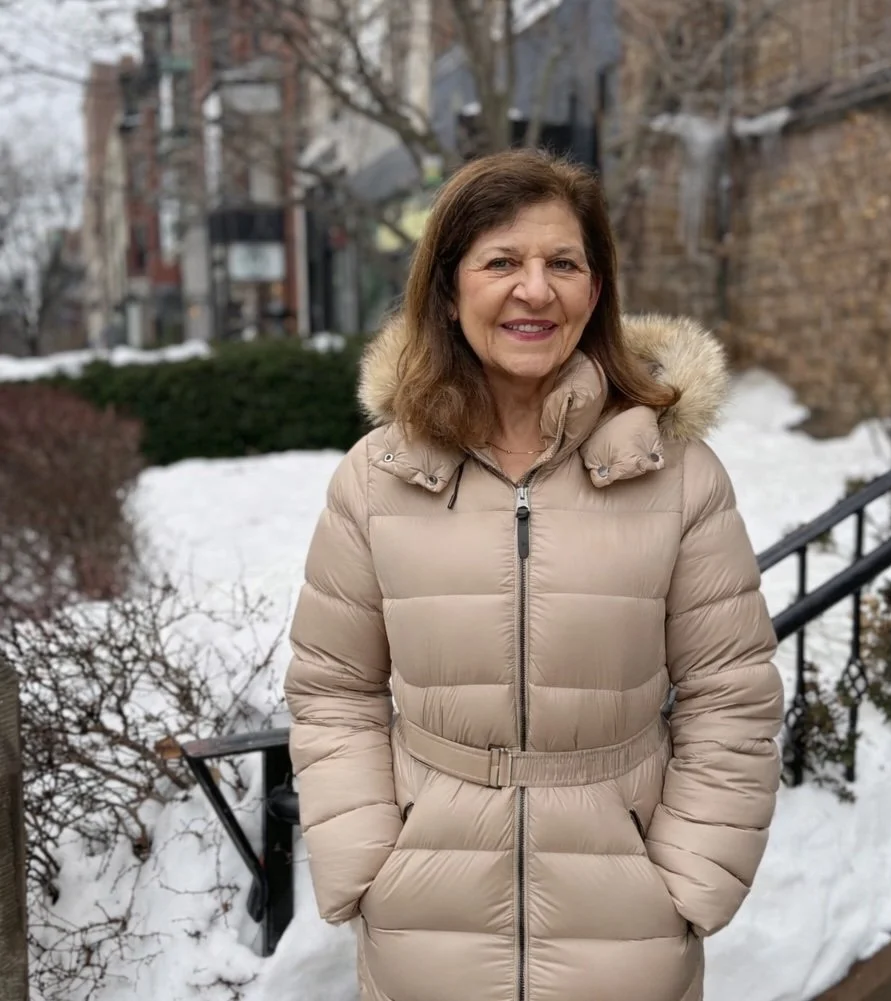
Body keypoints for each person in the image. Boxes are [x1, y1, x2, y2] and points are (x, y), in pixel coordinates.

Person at [284, 149, 784, 1001]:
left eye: (563, 262)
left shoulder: (678, 473)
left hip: (627, 933)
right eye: (501, 262)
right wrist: (368, 859)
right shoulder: (377, 477)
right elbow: (333, 686)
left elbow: (729, 693)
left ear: (596, 290)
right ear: (448, 289)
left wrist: (687, 881)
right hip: (423, 931)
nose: (534, 289)